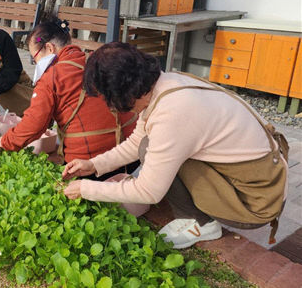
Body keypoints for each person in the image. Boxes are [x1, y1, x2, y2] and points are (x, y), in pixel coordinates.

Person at [61, 42, 289, 249]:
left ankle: (203, 225)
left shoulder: (174, 111)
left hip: (256, 200)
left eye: (107, 98)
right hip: (259, 176)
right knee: (148, 146)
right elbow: (136, 142)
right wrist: (93, 165)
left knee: (153, 152)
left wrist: (85, 189)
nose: (109, 106)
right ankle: (197, 217)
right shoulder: (161, 84)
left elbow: (148, 191)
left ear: (124, 93)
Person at [0, 19, 139, 173]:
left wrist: (5, 142)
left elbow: (33, 125)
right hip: (129, 152)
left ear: (49, 48)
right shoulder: (94, 59)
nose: (36, 63)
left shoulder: (52, 77)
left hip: (90, 163)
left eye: (34, 57)